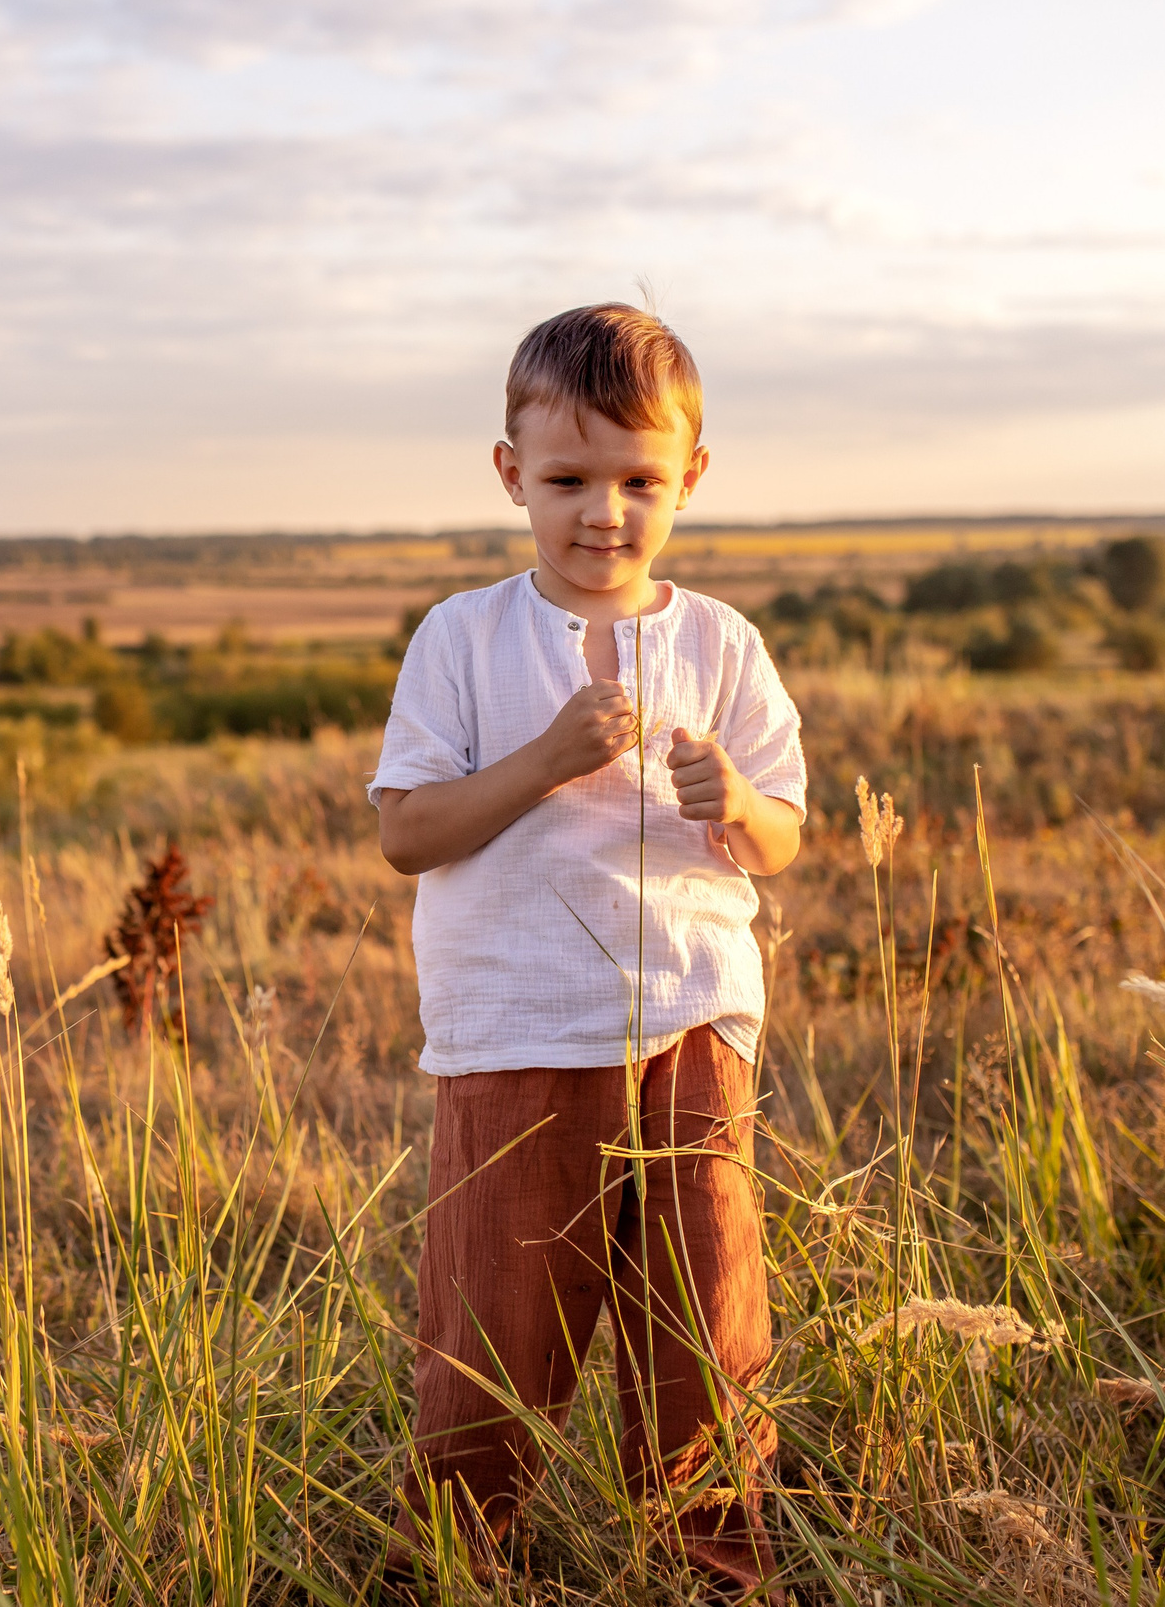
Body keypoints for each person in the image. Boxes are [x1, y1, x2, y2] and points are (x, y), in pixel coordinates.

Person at [370, 303, 807, 1598]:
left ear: (692, 479)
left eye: (639, 481)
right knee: (494, 1336)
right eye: (567, 480)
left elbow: (783, 834)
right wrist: (550, 758)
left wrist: (737, 800)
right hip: (516, 1037)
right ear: (512, 473)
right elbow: (408, 832)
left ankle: (714, 1570)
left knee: (704, 1329)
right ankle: (451, 1568)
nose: (602, 512)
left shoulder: (721, 644)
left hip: (690, 1029)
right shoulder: (463, 639)